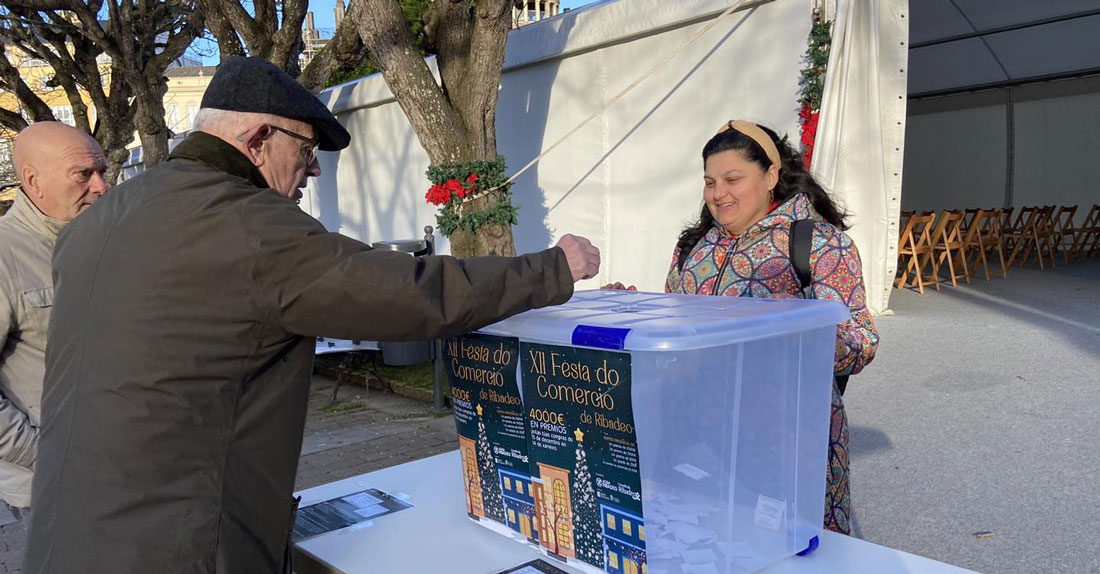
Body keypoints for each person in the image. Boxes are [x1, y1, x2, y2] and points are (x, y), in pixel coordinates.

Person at [24, 57, 600, 574]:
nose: (313, 171)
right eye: (305, 151)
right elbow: (407, 292)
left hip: (66, 535)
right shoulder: (247, 225)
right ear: (257, 139)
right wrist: (552, 269)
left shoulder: (99, 221)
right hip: (180, 546)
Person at [608, 120, 877, 535]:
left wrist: (805, 323)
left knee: (792, 552)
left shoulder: (818, 243)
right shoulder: (693, 246)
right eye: (709, 181)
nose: (718, 194)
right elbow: (677, 324)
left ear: (771, 175)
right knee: (700, 542)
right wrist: (629, 308)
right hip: (695, 437)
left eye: (733, 179)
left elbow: (861, 342)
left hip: (786, 445)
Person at [0, 122, 107, 528]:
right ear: (33, 181)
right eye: (83, 174)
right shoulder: (5, 255)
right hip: (54, 488)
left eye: (101, 171)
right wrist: (45, 454)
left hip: (127, 469)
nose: (100, 186)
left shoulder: (103, 237)